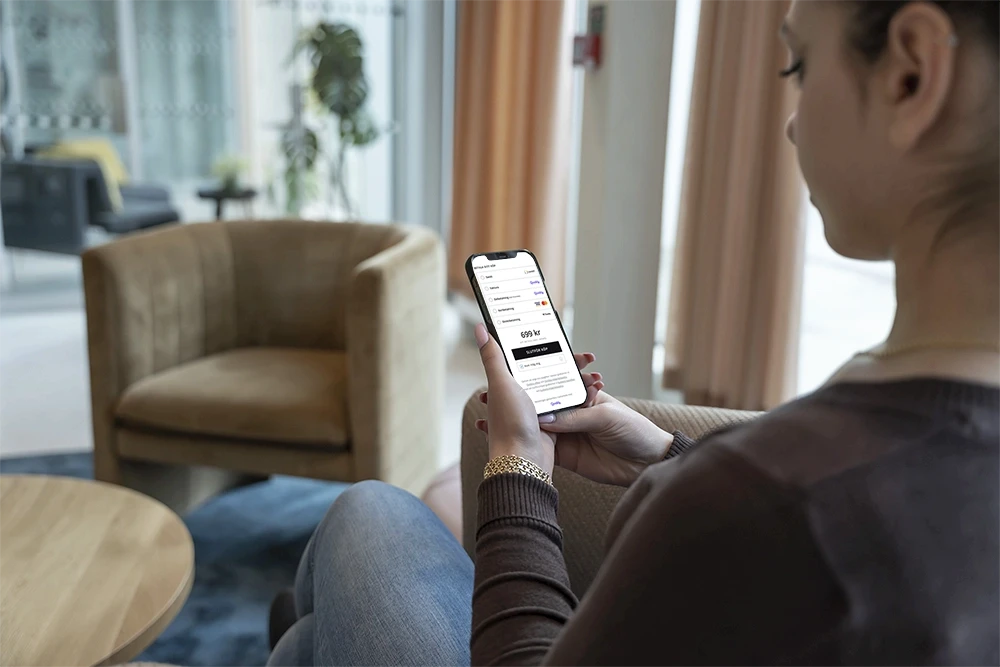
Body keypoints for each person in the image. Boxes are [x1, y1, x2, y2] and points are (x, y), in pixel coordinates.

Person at [267, 0, 1000, 664]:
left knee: (367, 514)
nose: (792, 120)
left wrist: (520, 464)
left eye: (799, 65)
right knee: (318, 624)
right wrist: (668, 453)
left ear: (911, 73)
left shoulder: (769, 499)